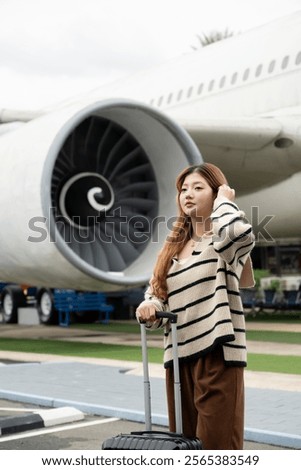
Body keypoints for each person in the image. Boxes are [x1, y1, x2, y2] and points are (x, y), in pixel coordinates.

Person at [136, 163, 255, 450]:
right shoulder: (172, 247)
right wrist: (149, 307)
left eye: (198, 188)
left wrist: (225, 203)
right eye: (183, 189)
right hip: (177, 357)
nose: (187, 194)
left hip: (217, 351)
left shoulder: (223, 240)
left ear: (216, 194)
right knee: (184, 445)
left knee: (217, 445)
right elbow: (157, 294)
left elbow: (242, 235)